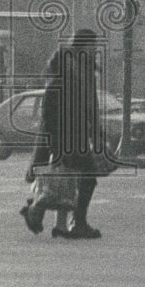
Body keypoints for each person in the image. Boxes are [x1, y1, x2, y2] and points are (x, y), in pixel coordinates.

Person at [20, 29, 108, 239]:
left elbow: (89, 105)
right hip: (63, 133)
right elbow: (50, 101)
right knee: (82, 177)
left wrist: (96, 132)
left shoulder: (84, 69)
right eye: (92, 45)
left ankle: (54, 221)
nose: (95, 49)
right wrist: (55, 138)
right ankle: (73, 222)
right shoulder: (66, 67)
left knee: (67, 178)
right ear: (82, 45)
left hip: (76, 133)